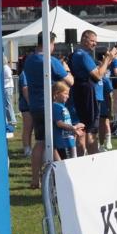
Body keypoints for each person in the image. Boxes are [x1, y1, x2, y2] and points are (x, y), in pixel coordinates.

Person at [24, 32, 73, 188]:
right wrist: (66, 68)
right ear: (50, 43)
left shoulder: (29, 59)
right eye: (54, 44)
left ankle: (34, 179)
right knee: (53, 142)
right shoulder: (51, 61)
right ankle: (62, 175)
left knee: (40, 142)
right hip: (50, 106)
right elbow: (69, 81)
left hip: (35, 105)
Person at [70, 31, 117, 155]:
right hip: (88, 95)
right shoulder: (83, 55)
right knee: (91, 130)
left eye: (96, 41)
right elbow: (97, 76)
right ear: (84, 39)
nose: (95, 43)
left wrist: (108, 60)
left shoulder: (76, 54)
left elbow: (98, 72)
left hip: (82, 94)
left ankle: (81, 158)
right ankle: (93, 158)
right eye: (92, 40)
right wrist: (108, 58)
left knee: (82, 128)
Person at [52, 83, 84, 160]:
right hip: (62, 143)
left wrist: (74, 131)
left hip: (69, 141)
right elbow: (59, 123)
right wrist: (74, 127)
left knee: (71, 163)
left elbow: (66, 123)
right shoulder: (56, 106)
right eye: (65, 93)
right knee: (65, 164)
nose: (68, 96)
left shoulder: (63, 107)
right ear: (56, 94)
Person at [18, 66, 33, 156]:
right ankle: (27, 149)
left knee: (31, 128)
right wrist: (30, 103)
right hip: (26, 106)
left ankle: (29, 148)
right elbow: (25, 89)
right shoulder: (24, 73)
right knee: (28, 127)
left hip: (31, 104)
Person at [2, 56, 15, 139]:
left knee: (8, 105)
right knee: (6, 105)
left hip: (7, 87)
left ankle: (12, 121)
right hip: (6, 87)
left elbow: (9, 77)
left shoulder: (5, 68)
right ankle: (10, 120)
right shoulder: (4, 67)